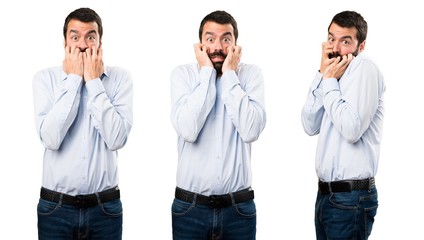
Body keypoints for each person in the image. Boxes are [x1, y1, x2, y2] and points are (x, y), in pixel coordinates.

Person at [32, 7, 133, 240]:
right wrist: (75, 79)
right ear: (65, 42)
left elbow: (117, 139)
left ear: (100, 41)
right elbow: (50, 139)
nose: (83, 44)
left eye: (90, 36)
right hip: (55, 207)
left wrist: (94, 81)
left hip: (104, 208)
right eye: (75, 36)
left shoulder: (120, 79)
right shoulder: (44, 80)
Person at [170, 10, 266, 240]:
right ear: (200, 44)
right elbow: (188, 130)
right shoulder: (182, 75)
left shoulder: (251, 75)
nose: (218, 47)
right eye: (210, 39)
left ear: (235, 44)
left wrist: (230, 75)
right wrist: (206, 73)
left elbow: (251, 130)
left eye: (226, 39)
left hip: (238, 208)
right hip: (190, 208)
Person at [301, 10, 385, 240]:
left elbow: (351, 129)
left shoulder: (364, 68)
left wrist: (328, 82)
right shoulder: (332, 75)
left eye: (345, 41)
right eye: (331, 39)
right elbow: (309, 124)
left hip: (352, 198)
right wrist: (322, 73)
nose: (336, 48)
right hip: (326, 196)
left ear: (362, 45)